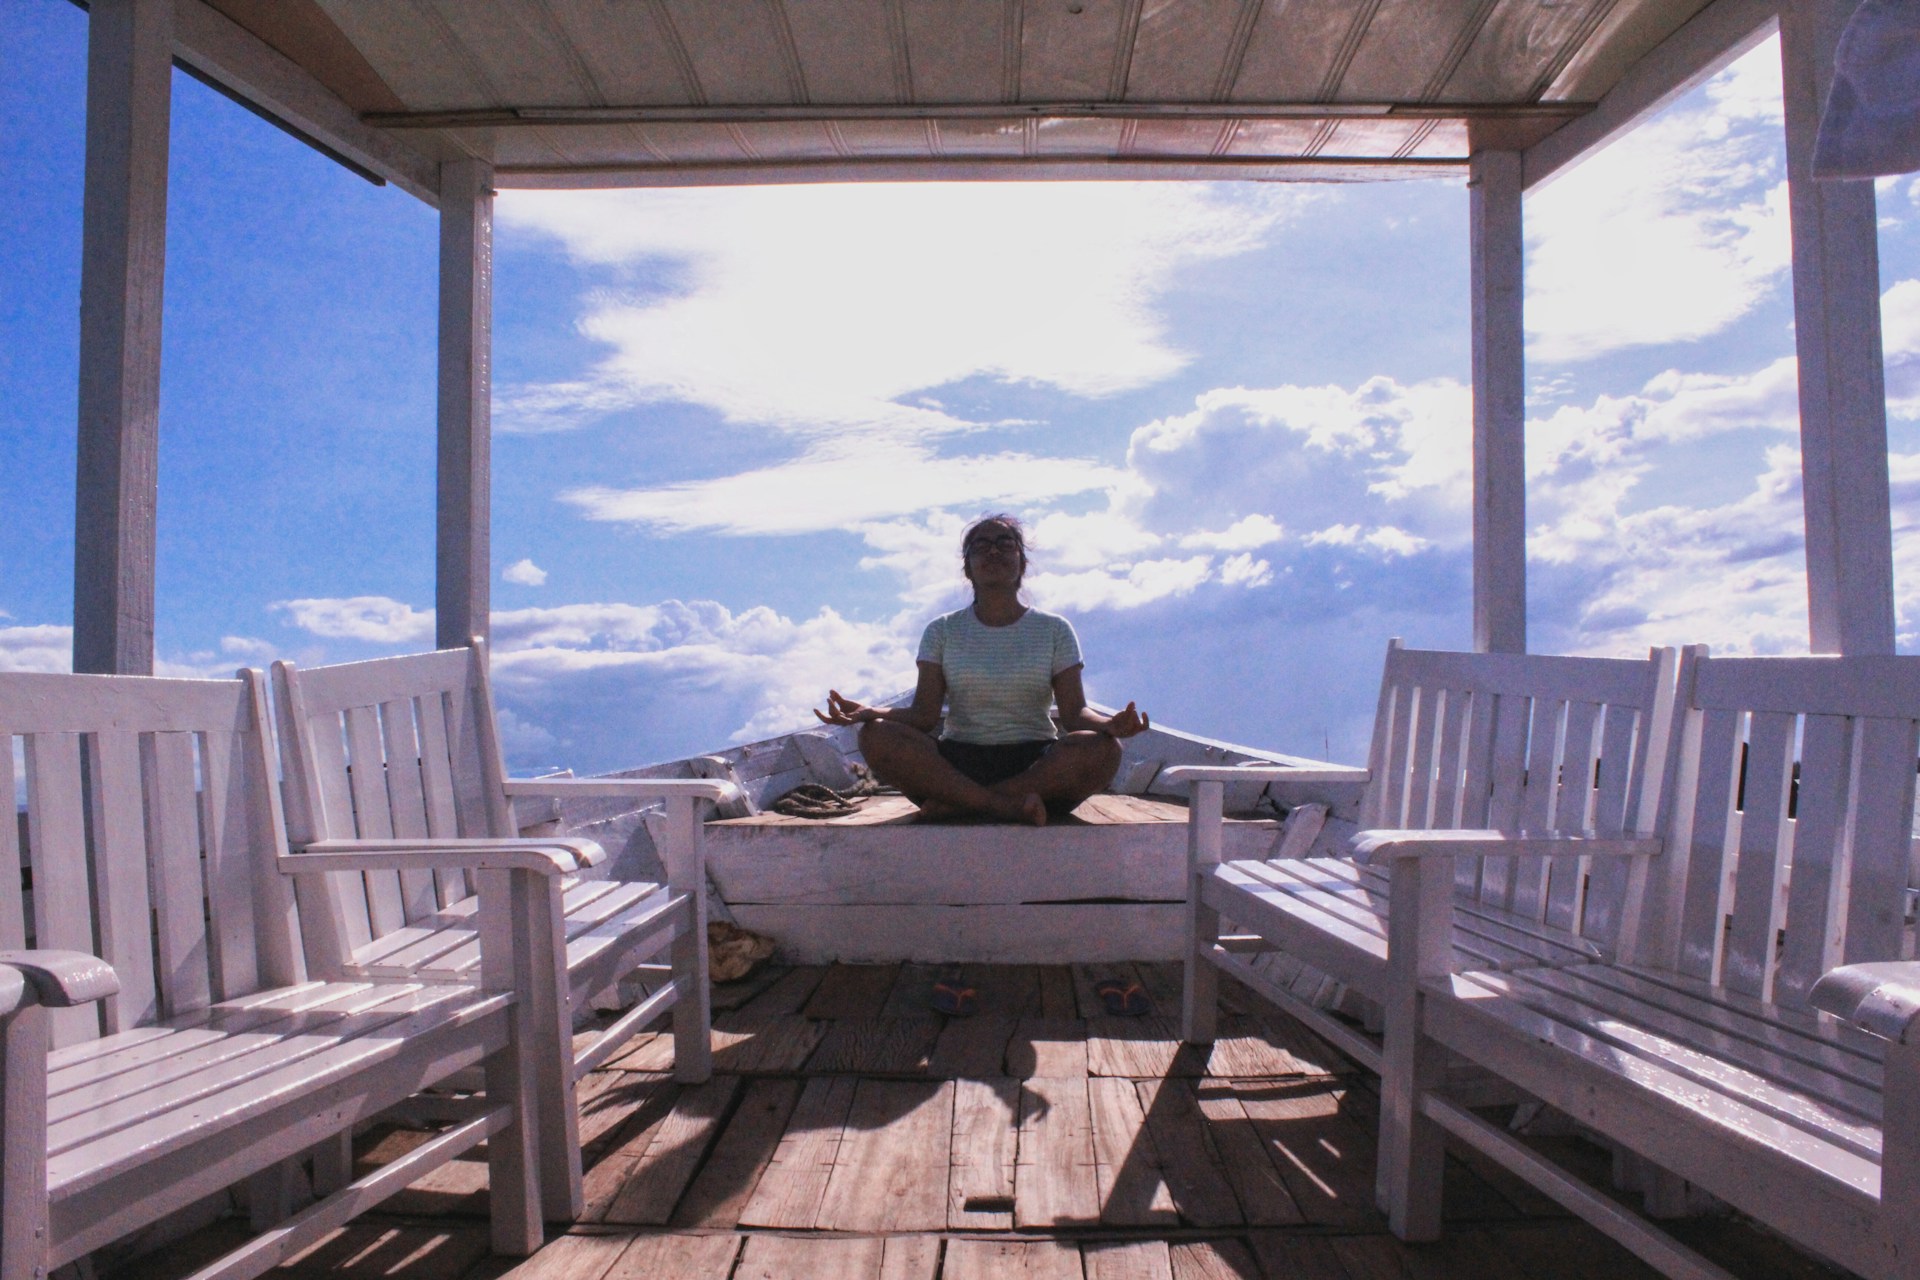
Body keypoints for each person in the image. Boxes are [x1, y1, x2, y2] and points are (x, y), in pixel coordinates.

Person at [815, 514, 1150, 829]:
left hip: (1036, 765)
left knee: (1104, 749)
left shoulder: (1054, 629)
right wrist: (872, 713)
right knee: (875, 734)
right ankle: (1003, 805)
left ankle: (962, 805)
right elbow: (924, 716)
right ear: (968, 568)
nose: (993, 551)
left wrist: (1109, 725)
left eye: (1005, 544)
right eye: (981, 546)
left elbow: (1075, 714)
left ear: (1022, 562)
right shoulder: (942, 630)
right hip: (957, 764)